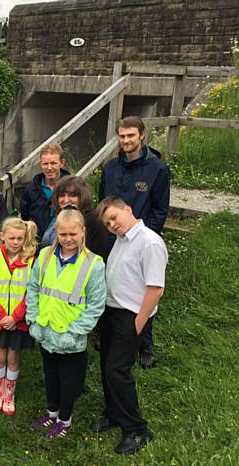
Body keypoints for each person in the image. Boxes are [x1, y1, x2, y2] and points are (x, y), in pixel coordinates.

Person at [94, 196, 167, 454]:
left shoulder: (149, 242)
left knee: (117, 370)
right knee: (106, 366)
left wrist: (138, 323)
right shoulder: (121, 241)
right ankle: (114, 412)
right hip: (111, 312)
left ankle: (136, 429)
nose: (112, 224)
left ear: (128, 209)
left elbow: (156, 288)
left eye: (114, 217)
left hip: (131, 316)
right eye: (107, 222)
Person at [26, 208, 106, 439]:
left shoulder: (94, 264)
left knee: (68, 380)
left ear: (83, 232)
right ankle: (52, 411)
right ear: (56, 233)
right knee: (50, 375)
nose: (68, 239)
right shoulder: (45, 257)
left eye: (73, 234)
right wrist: (33, 318)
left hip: (71, 336)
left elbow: (95, 306)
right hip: (45, 330)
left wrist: (75, 332)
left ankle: (65, 419)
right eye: (63, 234)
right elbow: (33, 289)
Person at [99, 115, 170, 368]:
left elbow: (160, 209)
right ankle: (110, 332)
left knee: (143, 288)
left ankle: (144, 342)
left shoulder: (157, 169)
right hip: (112, 238)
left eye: (131, 135)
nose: (126, 140)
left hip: (139, 238)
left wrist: (141, 238)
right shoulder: (110, 168)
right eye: (122, 135)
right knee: (114, 283)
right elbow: (103, 204)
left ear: (142, 135)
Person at [0, 217, 37, 416]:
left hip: (18, 322)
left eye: (19, 239)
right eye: (11, 238)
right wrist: (1, 316)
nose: (15, 242)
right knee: (0, 355)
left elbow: (32, 293)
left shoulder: (31, 261)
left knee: (13, 356)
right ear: (2, 237)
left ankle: (9, 394)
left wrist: (15, 317)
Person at [40, 176, 110, 261]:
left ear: (83, 196)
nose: (66, 200)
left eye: (72, 195)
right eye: (62, 196)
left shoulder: (92, 221)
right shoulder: (57, 216)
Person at [20, 143, 70, 239]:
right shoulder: (30, 189)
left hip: (64, 241)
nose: (49, 168)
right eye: (45, 164)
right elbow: (25, 216)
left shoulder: (72, 187)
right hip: (36, 243)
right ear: (40, 164)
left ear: (62, 163)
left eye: (53, 163)